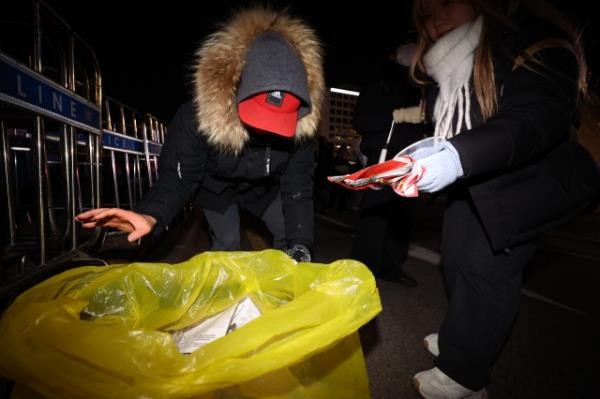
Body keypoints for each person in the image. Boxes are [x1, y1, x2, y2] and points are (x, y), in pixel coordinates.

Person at [406, 0, 600, 397]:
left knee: (486, 267)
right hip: (478, 176)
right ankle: (460, 334)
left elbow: (533, 119)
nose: (437, 17)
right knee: (456, 254)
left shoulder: (528, 37)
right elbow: (448, 121)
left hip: (530, 179)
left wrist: (458, 156)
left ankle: (466, 376)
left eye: (446, 1)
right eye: (427, 12)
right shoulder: (450, 60)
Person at [76, 7, 325, 262]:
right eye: (259, 115)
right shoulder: (196, 118)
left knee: (293, 241)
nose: (266, 129)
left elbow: (298, 187)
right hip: (216, 189)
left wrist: (301, 244)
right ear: (236, 87)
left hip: (264, 188)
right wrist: (149, 214)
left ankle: (283, 293)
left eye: (278, 121)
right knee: (227, 245)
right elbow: (178, 178)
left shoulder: (301, 128)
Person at [350, 39, 429, 287]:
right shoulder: (379, 83)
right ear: (395, 54)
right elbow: (362, 122)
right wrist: (398, 115)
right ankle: (364, 269)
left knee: (403, 217)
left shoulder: (423, 86)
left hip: (413, 157)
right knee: (375, 215)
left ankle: (392, 267)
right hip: (384, 156)